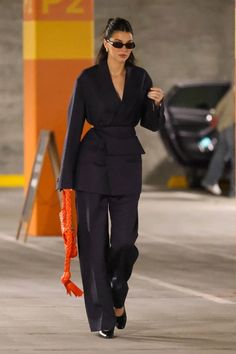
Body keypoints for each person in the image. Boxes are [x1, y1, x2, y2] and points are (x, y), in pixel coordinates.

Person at [56, 17, 165, 339]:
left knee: (123, 241)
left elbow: (152, 125)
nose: (124, 49)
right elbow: (74, 126)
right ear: (106, 44)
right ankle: (104, 317)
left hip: (127, 163)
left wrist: (156, 105)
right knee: (92, 244)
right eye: (118, 44)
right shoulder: (88, 79)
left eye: (130, 44)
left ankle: (118, 288)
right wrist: (66, 178)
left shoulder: (141, 77)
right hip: (91, 163)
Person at [201, 85, 235, 197]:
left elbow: (219, 107)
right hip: (232, 126)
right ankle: (234, 191)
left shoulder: (233, 90)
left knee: (220, 154)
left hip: (224, 126)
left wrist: (216, 117)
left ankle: (210, 181)